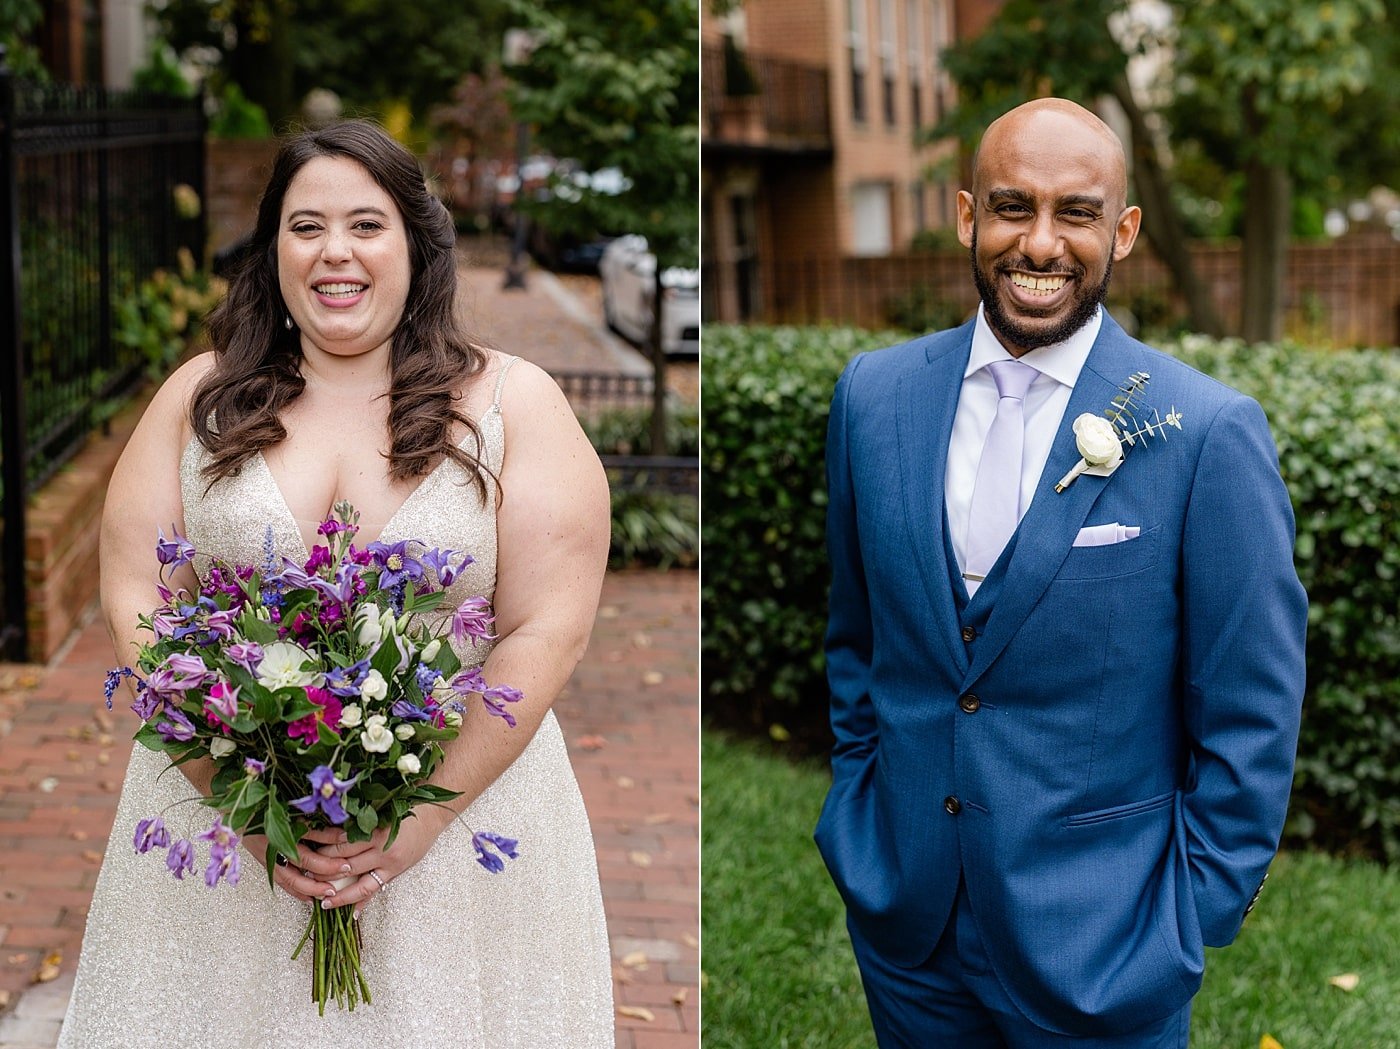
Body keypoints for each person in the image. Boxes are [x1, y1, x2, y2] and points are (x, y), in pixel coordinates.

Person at [60, 120, 615, 1046]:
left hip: (461, 817)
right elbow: (139, 599)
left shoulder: (513, 403)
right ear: (272, 246)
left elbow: (546, 628)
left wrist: (421, 822)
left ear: (415, 245)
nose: (335, 253)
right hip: (222, 820)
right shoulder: (198, 399)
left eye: (367, 224)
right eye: (305, 226)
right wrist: (240, 801)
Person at [815, 98, 1307, 1046]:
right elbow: (857, 637)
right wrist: (859, 812)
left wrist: (1187, 918)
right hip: (906, 921)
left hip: (1108, 945)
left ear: (1122, 232)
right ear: (967, 216)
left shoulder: (1205, 432)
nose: (1040, 244)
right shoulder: (871, 398)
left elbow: (1253, 705)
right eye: (1012, 207)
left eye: (1076, 213)